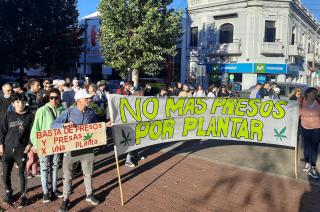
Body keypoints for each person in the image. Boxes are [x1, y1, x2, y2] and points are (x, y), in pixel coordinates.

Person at [51, 89, 100, 211]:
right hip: (71, 150)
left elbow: (96, 127)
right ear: (78, 101)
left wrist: (105, 126)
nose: (89, 100)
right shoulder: (68, 112)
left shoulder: (91, 112)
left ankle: (89, 194)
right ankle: (66, 199)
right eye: (86, 98)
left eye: (89, 98)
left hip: (87, 150)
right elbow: (53, 125)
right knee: (67, 176)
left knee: (88, 174)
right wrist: (65, 125)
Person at [30, 88, 65, 203]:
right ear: (48, 98)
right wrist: (35, 144)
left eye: (56, 98)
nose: (54, 100)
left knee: (55, 167)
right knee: (44, 168)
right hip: (44, 143)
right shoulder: (42, 110)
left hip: (57, 143)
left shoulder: (63, 109)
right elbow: (35, 129)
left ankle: (54, 189)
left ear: (59, 98)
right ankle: (45, 192)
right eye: (52, 97)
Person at [0, 93, 34, 208]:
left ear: (25, 103)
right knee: (5, 174)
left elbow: (32, 133)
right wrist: (1, 144)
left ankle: (23, 195)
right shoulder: (8, 115)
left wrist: (30, 144)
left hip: (21, 150)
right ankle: (8, 191)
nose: (20, 104)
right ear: (13, 103)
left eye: (22, 102)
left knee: (22, 174)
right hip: (7, 149)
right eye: (18, 102)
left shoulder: (30, 116)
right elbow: (3, 131)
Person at [300, 87, 320, 179]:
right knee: (307, 147)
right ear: (308, 93)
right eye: (313, 92)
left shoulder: (318, 102)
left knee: (314, 148)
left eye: (316, 92)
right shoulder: (301, 102)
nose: (315, 94)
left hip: (317, 128)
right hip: (305, 127)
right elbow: (295, 113)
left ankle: (313, 167)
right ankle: (307, 162)